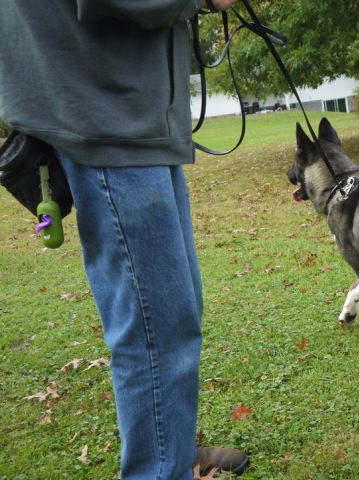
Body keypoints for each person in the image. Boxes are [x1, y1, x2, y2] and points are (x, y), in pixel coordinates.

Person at [0, 1, 248, 478]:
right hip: (102, 106)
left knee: (173, 315)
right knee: (154, 330)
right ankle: (159, 469)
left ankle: (172, 451)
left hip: (128, 108)